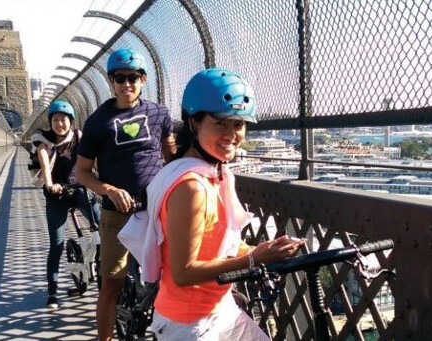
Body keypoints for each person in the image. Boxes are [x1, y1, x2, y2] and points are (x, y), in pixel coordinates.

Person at [126, 68, 303, 340]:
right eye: (221, 123)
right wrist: (254, 259)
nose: (231, 134)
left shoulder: (212, 173)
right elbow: (184, 272)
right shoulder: (192, 186)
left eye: (239, 124)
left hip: (220, 309)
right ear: (194, 122)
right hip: (190, 324)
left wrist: (259, 249)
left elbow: (218, 246)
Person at [75, 47, 175, 340]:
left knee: (167, 277)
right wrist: (108, 189)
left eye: (134, 77)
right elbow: (82, 172)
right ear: (111, 80)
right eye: (121, 77)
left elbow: (171, 157)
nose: (127, 83)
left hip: (155, 210)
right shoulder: (97, 121)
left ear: (143, 80)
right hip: (115, 215)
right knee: (111, 285)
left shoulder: (159, 113)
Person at [31, 100, 101, 309]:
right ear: (50, 122)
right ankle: (52, 292)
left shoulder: (79, 137)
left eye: (63, 120)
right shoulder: (43, 140)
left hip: (79, 189)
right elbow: (43, 159)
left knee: (102, 224)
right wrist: (50, 184)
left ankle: (101, 267)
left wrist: (104, 179)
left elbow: (94, 159)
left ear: (71, 121)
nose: (59, 124)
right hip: (57, 195)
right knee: (57, 244)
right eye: (55, 120)